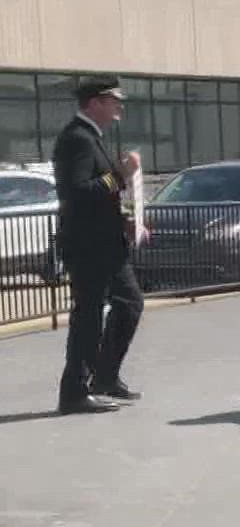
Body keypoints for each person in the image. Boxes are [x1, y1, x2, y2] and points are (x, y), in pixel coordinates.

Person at [53, 76, 144, 414]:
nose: (119, 106)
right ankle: (74, 392)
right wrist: (118, 174)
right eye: (112, 100)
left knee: (130, 304)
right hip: (89, 247)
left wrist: (129, 218)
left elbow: (103, 196)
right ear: (95, 103)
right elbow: (75, 193)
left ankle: (105, 376)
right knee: (88, 318)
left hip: (109, 245)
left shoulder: (93, 137)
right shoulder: (76, 139)